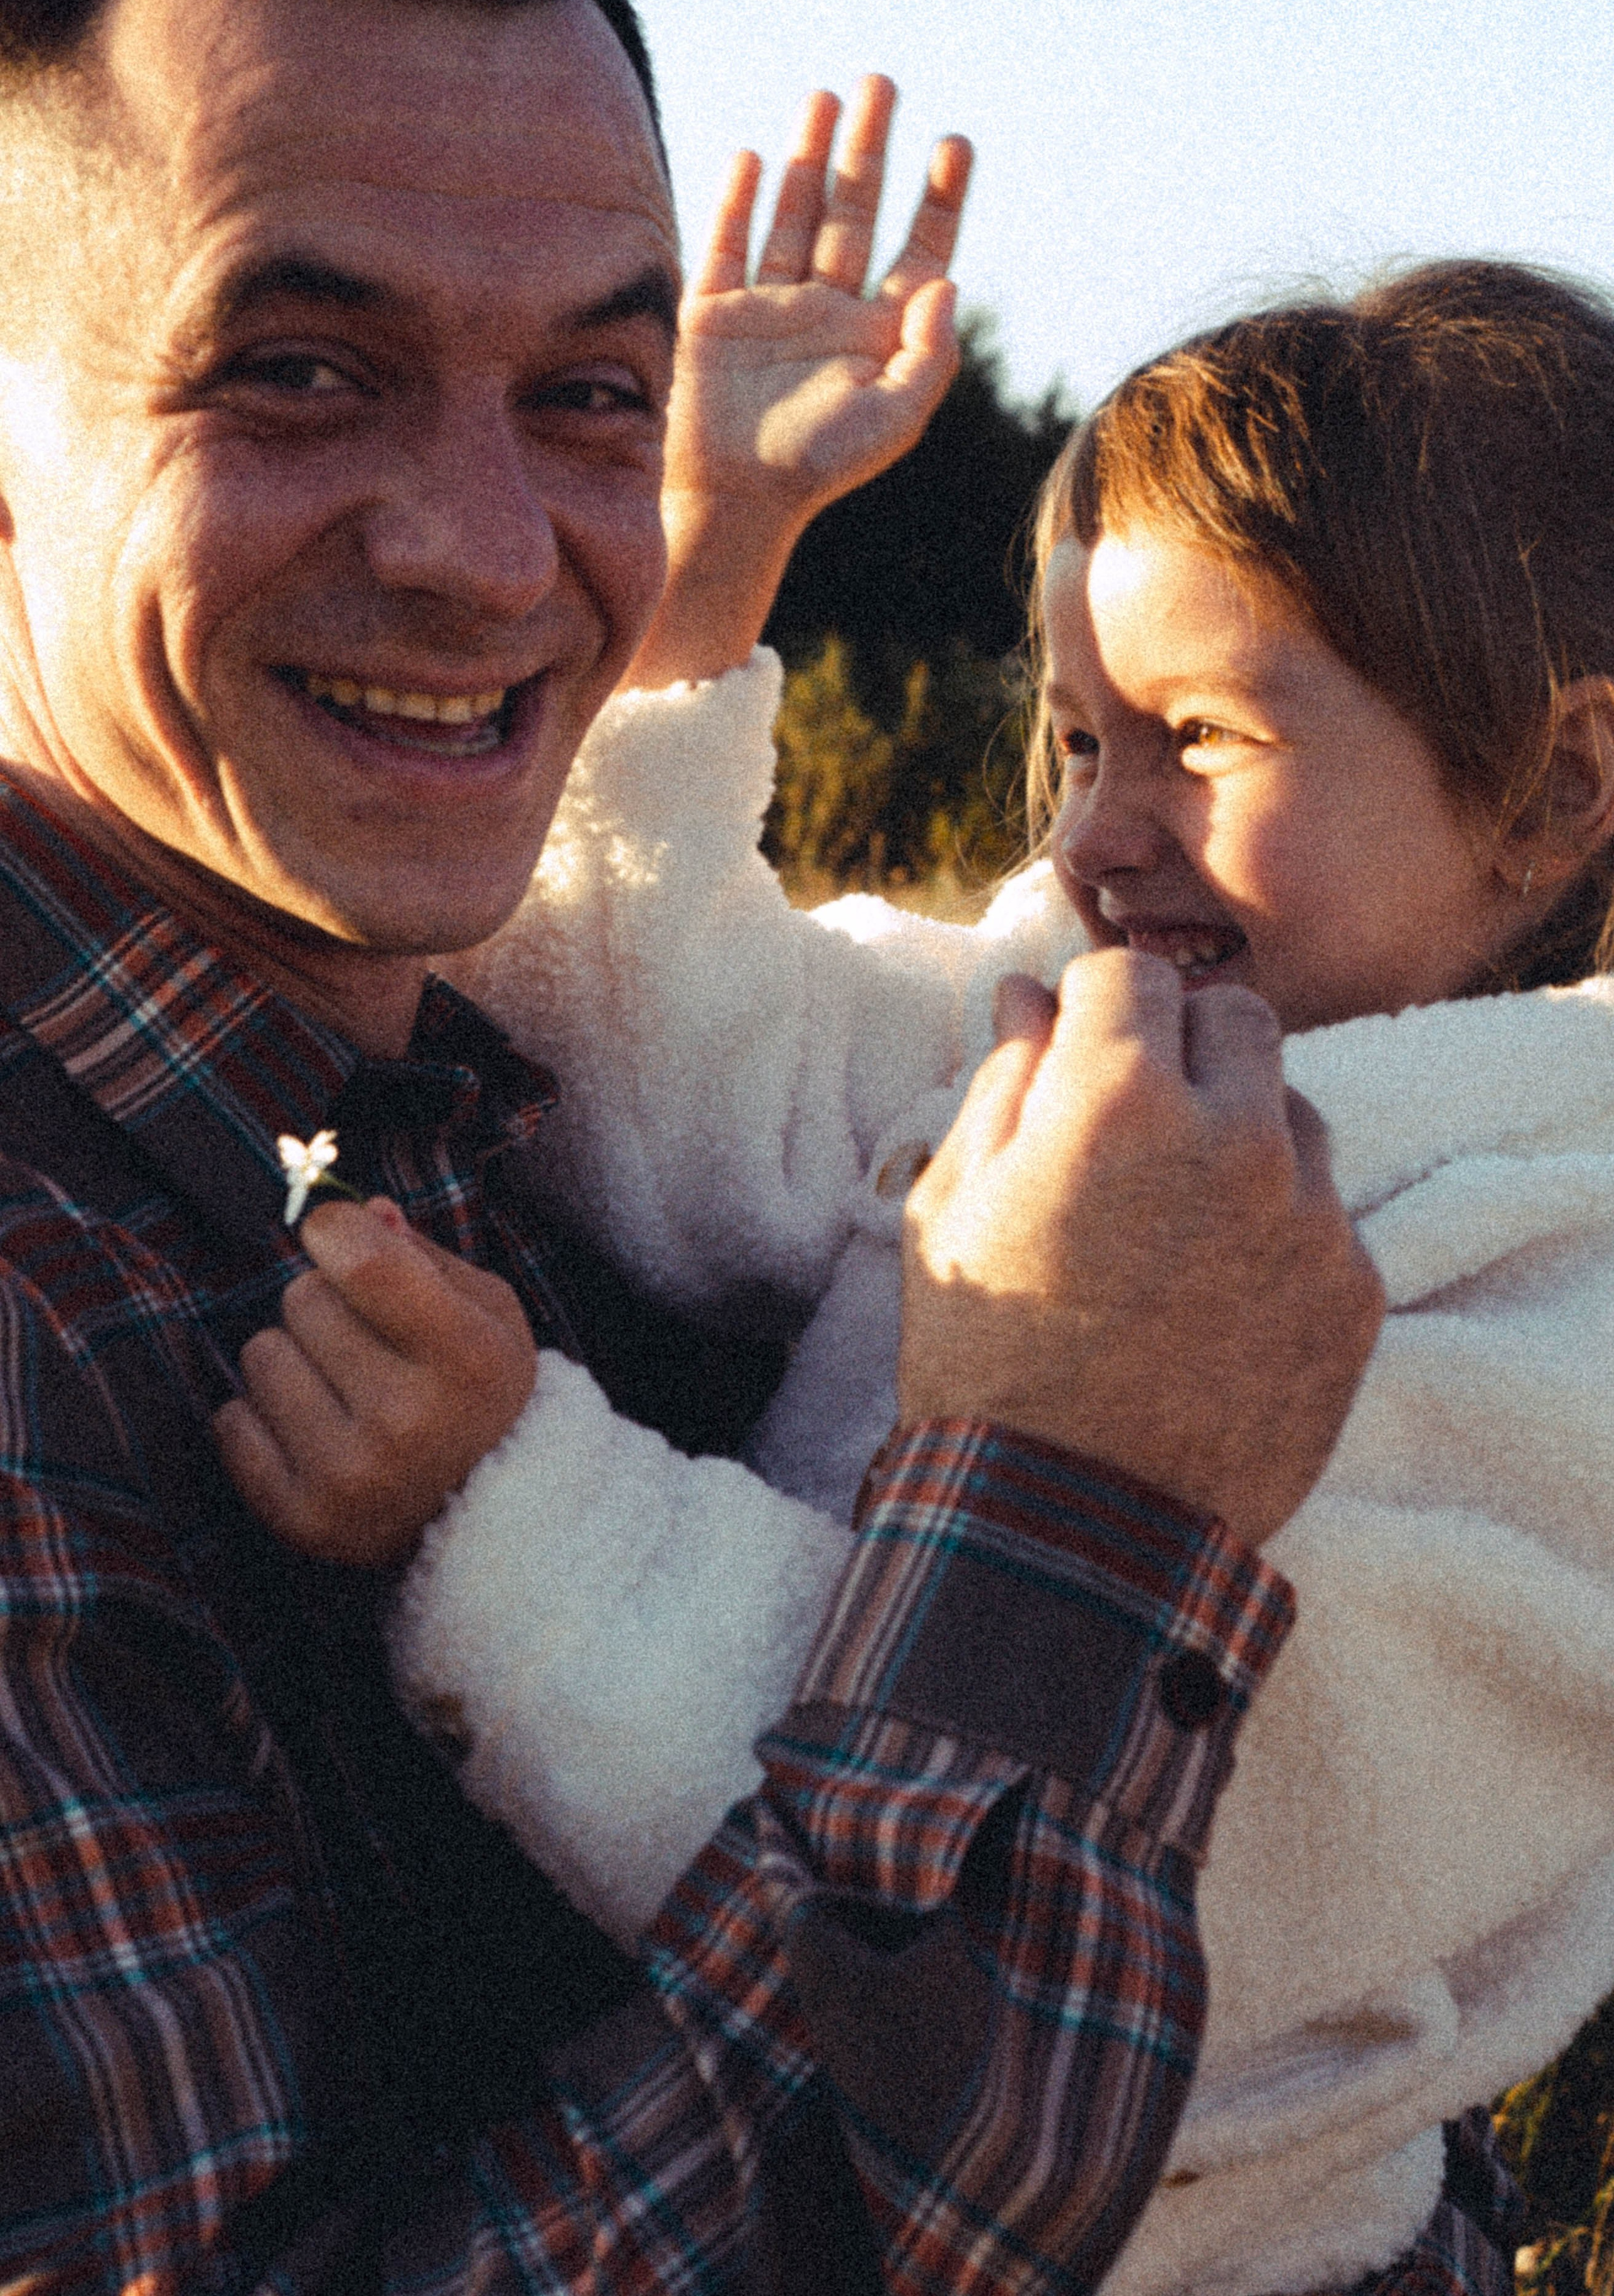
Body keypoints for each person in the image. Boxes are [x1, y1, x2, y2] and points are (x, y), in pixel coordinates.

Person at [0, 0, 1405, 2288]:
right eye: (297, 373)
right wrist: (1075, 1524)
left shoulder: (502, 1115)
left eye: (584, 395)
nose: (486, 550)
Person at [221, 249, 1614, 2288]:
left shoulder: (1555, 1293)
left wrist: (511, 1509)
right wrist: (705, 582)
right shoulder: (1047, 1013)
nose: (1098, 838)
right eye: (1076, 740)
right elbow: (662, 1080)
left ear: (1562, 789)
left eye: (1203, 740)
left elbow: (1045, 1904)